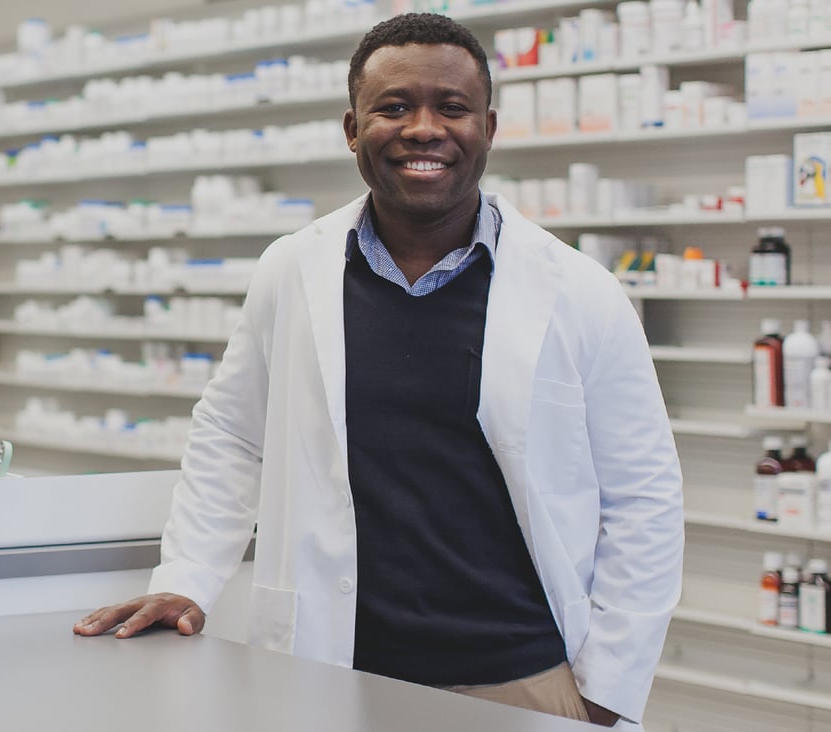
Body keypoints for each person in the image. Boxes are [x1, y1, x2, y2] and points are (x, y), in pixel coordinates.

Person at [74, 13, 683, 730]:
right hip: (332, 671)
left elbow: (644, 495)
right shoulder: (292, 269)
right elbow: (231, 439)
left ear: (488, 126)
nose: (424, 128)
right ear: (352, 129)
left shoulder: (581, 290)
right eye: (393, 107)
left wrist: (605, 686)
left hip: (517, 678)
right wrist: (186, 581)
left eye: (451, 107)